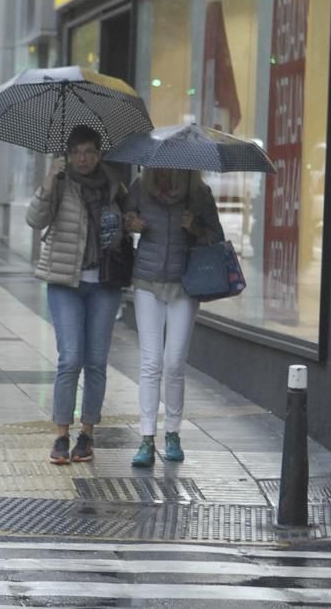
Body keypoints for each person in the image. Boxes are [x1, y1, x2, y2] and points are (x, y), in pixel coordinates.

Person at [26, 125, 127, 465]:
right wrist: (48, 180)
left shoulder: (115, 187)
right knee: (70, 358)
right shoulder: (60, 183)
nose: (83, 158)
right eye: (77, 152)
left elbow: (124, 230)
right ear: (68, 155)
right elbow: (34, 219)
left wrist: (131, 223)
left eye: (89, 152)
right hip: (65, 281)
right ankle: (60, 435)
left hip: (105, 283)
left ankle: (87, 434)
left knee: (96, 361)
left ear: (99, 155)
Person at [125, 168, 224, 467]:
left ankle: (173, 433)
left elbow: (217, 238)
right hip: (147, 281)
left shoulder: (199, 192)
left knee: (174, 362)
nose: (166, 169)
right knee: (151, 362)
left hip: (185, 284)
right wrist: (129, 223)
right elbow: (121, 222)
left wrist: (195, 229)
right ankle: (145, 438)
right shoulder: (140, 186)